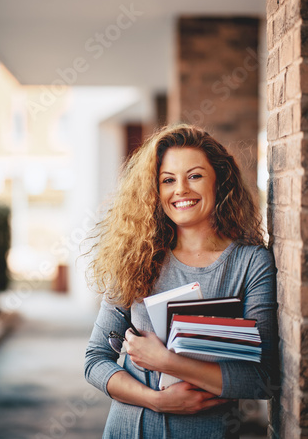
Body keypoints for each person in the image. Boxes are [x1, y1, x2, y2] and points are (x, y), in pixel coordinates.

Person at [84, 123, 277, 439]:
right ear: (155, 190)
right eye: (168, 180)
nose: (181, 189)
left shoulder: (250, 263)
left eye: (195, 176)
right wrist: (157, 401)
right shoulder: (137, 257)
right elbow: (95, 361)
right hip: (129, 430)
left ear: (220, 179)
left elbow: (263, 377)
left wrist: (166, 362)